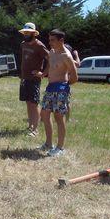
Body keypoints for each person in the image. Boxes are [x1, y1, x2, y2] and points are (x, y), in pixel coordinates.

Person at [35, 29, 78, 157]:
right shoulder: (52, 52)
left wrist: (64, 87)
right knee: (44, 114)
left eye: (52, 40)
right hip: (50, 88)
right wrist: (44, 74)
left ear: (61, 40)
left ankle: (60, 148)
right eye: (49, 40)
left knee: (59, 117)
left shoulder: (67, 56)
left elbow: (75, 76)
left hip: (61, 88)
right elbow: (50, 64)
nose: (50, 43)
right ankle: (48, 143)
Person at [18, 22, 49, 137]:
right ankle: (30, 125)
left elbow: (50, 58)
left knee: (34, 103)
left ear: (34, 34)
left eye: (28, 33)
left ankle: (35, 130)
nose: (25, 34)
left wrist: (43, 73)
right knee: (28, 102)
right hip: (24, 77)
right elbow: (24, 59)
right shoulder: (23, 44)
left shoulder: (39, 45)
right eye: (25, 32)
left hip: (34, 79)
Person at [64, 43, 80, 122]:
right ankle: (67, 119)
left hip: (57, 81)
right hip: (64, 82)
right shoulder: (66, 56)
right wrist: (76, 55)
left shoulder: (59, 54)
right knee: (66, 102)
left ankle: (43, 119)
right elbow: (78, 64)